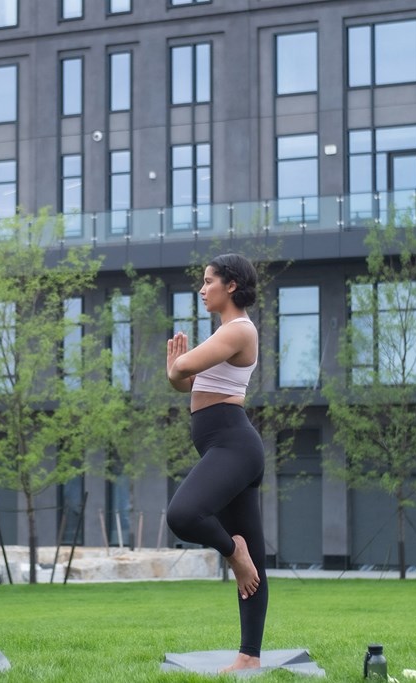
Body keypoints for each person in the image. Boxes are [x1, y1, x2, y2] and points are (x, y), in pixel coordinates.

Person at [165, 254, 267, 672]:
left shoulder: (239, 329)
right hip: (223, 446)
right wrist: (177, 370)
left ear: (231, 285)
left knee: (183, 515)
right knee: (253, 559)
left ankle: (232, 550)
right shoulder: (224, 334)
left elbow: (183, 368)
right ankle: (249, 656)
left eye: (209, 281)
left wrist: (178, 367)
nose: (202, 289)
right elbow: (184, 382)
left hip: (232, 445)